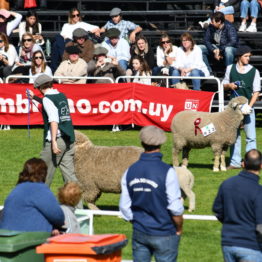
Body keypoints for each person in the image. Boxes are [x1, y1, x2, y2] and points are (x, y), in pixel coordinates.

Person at [119, 125, 184, 262]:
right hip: (165, 232)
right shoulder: (167, 171)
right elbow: (175, 207)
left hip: (140, 232)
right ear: (161, 143)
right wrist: (179, 228)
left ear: (142, 142)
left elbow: (124, 207)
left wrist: (137, 221)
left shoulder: (130, 171)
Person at [31, 74, 80, 191]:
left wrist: (53, 142)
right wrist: (34, 98)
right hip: (69, 139)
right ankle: (78, 208)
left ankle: (39, 206)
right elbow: (51, 105)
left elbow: (53, 120)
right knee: (70, 178)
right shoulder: (61, 95)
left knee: (42, 175)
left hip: (57, 141)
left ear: (41, 87)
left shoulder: (47, 99)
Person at [212, 149, 262, 262]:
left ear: (243, 164)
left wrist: (231, 223)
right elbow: (260, 226)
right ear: (261, 166)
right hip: (251, 246)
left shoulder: (226, 184)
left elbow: (217, 210)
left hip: (228, 243)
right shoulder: (259, 192)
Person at [0, 158, 65, 233]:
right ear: (44, 174)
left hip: (7, 237)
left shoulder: (16, 190)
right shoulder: (40, 189)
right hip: (30, 239)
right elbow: (58, 217)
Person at [222, 45, 260, 169]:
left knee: (251, 137)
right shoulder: (230, 68)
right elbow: (223, 84)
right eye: (246, 56)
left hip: (248, 108)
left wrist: (249, 106)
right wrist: (230, 85)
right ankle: (235, 162)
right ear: (239, 57)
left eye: (249, 56)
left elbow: (256, 92)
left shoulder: (254, 71)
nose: (248, 58)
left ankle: (251, 163)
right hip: (234, 108)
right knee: (235, 136)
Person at [50, 7, 99, 73]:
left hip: (74, 43)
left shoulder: (82, 24)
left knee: (56, 44)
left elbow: (96, 27)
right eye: (74, 15)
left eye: (78, 15)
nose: (76, 17)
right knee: (58, 39)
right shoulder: (66, 25)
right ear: (70, 16)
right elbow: (62, 35)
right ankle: (57, 67)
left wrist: (97, 31)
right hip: (64, 42)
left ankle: (55, 69)